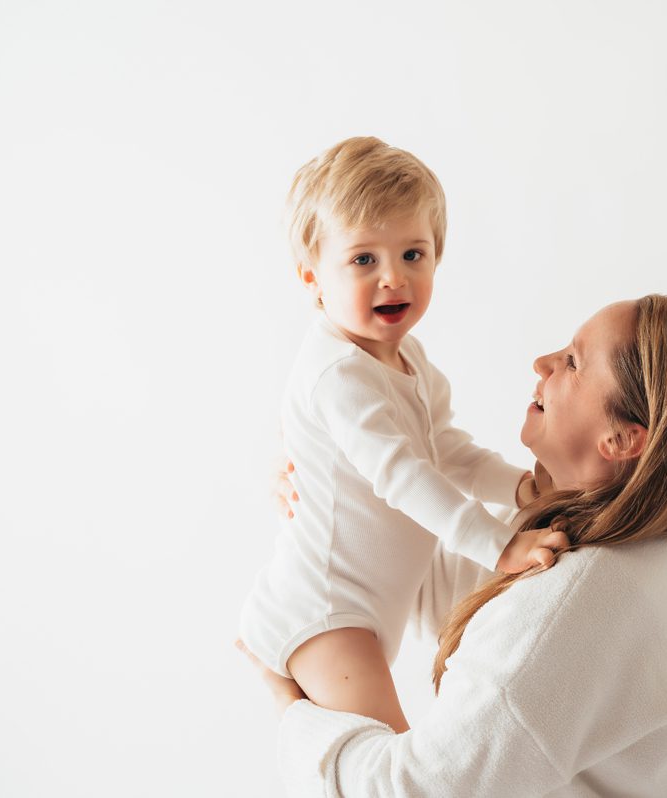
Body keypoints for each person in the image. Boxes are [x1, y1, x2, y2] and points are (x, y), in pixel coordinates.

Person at [239, 294, 667, 796]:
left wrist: (291, 711)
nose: (542, 363)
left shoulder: (570, 609)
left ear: (622, 439)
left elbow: (411, 789)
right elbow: (436, 584)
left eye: (572, 362)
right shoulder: (640, 544)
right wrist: (337, 482)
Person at [238, 137, 566, 734]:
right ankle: (281, 688)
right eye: (363, 260)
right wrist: (500, 546)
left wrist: (522, 488)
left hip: (372, 606)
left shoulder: (408, 358)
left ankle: (284, 691)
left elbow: (446, 451)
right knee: (389, 761)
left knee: (381, 753)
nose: (394, 277)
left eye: (413, 254)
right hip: (326, 608)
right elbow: (405, 477)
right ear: (313, 277)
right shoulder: (338, 375)